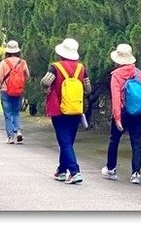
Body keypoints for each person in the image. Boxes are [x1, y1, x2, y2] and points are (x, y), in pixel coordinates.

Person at [41, 38, 91, 185]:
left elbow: (45, 82)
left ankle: (75, 172)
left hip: (58, 109)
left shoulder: (55, 67)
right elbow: (88, 89)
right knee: (68, 141)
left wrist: (46, 89)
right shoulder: (81, 68)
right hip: (75, 109)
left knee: (64, 142)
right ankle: (62, 171)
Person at [101, 43, 141, 184]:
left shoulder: (116, 75)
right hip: (137, 111)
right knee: (136, 141)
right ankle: (136, 173)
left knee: (114, 139)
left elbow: (115, 97)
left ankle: (111, 169)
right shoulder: (139, 73)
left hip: (122, 111)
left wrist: (117, 118)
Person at [0, 40, 29, 144]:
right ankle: (18, 131)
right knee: (16, 112)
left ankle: (10, 137)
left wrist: (2, 84)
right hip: (18, 91)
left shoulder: (4, 62)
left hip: (6, 91)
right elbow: (27, 76)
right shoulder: (22, 62)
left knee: (7, 114)